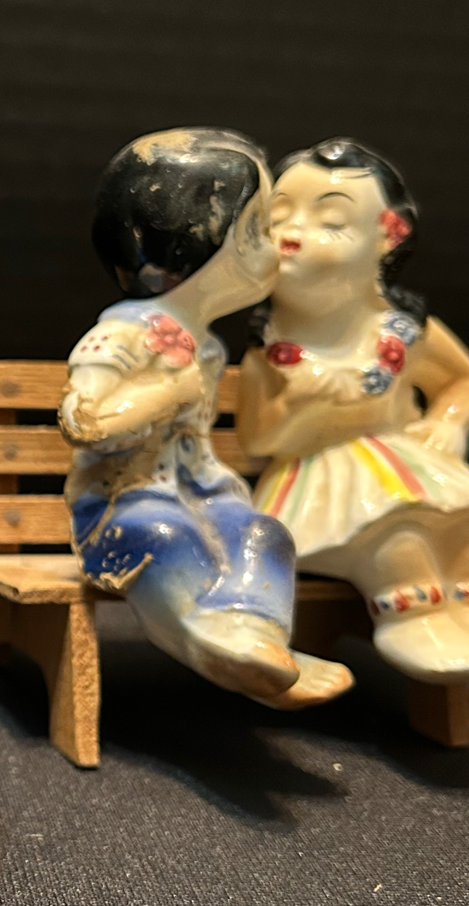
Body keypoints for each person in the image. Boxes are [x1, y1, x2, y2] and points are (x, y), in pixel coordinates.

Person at [62, 127, 353, 708]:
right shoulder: (120, 335)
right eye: (259, 229)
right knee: (165, 536)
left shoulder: (209, 346)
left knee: (264, 534)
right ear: (198, 242)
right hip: (120, 503)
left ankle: (259, 640)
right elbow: (82, 420)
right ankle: (204, 639)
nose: (276, 246)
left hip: (199, 492)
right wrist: (167, 392)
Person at [237, 138, 469, 681]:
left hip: (410, 462)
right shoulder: (269, 353)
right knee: (398, 533)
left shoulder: (403, 332)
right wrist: (301, 408)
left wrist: (449, 424)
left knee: (468, 518)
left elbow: (462, 381)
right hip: (314, 481)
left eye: (332, 222)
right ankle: (412, 619)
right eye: (276, 218)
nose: (292, 233)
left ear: (387, 236)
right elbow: (257, 439)